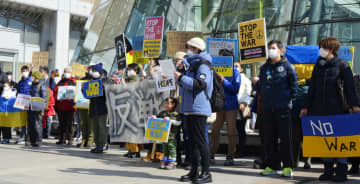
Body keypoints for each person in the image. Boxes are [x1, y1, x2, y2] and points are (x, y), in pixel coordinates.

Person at [300, 37, 360, 182]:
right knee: (324, 140)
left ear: (331, 49)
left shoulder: (342, 66)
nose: (321, 50)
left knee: (339, 140)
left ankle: (341, 170)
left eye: (323, 47)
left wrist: (355, 105)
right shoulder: (318, 66)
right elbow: (312, 89)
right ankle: (327, 170)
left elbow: (350, 88)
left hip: (338, 110)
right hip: (320, 110)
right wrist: (305, 107)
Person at [176, 37, 213, 183]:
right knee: (191, 142)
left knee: (200, 141)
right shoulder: (191, 64)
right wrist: (181, 69)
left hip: (199, 108)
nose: (187, 50)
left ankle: (206, 173)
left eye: (190, 47)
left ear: (197, 49)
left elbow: (200, 84)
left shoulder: (203, 65)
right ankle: (194, 171)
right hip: (189, 108)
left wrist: (181, 78)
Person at [259, 40, 298, 177]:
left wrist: (287, 101)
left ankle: (288, 166)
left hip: (283, 109)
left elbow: (294, 87)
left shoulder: (288, 67)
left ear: (281, 50)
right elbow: (261, 87)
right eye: (269, 48)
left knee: (285, 139)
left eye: (273, 48)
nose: (271, 50)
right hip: (268, 109)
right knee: (269, 139)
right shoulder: (264, 68)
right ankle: (272, 165)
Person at [210, 49, 241, 166]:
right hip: (219, 105)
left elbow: (235, 90)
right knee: (214, 131)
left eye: (222, 58)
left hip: (231, 106)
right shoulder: (215, 71)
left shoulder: (235, 72)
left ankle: (230, 156)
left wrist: (224, 81)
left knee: (231, 132)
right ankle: (211, 154)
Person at [83, 63, 109, 153]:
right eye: (93, 71)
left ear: (100, 72)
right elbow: (87, 96)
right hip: (93, 108)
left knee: (102, 128)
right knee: (95, 128)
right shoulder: (91, 81)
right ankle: (97, 145)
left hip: (102, 109)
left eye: (95, 71)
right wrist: (83, 90)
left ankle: (102, 145)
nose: (94, 73)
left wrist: (103, 88)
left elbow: (108, 95)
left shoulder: (105, 81)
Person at [155, 97, 181, 170]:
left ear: (173, 104)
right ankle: (165, 161)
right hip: (164, 135)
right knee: (165, 148)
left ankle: (172, 163)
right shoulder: (163, 113)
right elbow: (158, 119)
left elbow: (179, 123)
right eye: (165, 103)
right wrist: (153, 118)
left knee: (172, 148)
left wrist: (171, 121)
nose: (166, 105)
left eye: (168, 103)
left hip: (172, 136)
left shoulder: (176, 114)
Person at [123, 63, 144, 158]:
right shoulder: (129, 79)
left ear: (136, 71)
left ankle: (134, 150)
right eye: (128, 69)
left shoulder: (137, 80)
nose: (128, 71)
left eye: (130, 69)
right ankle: (133, 150)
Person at [54, 67, 76, 145]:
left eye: (67, 72)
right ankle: (62, 139)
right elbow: (55, 92)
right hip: (61, 106)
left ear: (70, 73)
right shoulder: (60, 82)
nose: (66, 73)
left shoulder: (74, 82)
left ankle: (70, 139)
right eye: (65, 72)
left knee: (70, 124)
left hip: (70, 106)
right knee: (61, 123)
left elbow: (77, 93)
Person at [235, 63, 252, 157]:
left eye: (237, 66)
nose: (235, 68)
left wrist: (245, 103)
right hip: (231, 107)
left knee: (241, 130)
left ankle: (240, 151)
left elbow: (249, 94)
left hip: (241, 108)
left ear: (241, 69)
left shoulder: (246, 80)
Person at [27, 71, 47, 147]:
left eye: (33, 77)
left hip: (37, 109)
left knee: (37, 125)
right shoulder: (31, 85)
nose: (32, 78)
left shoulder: (41, 86)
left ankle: (38, 140)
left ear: (37, 78)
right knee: (31, 124)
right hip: (30, 108)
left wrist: (42, 109)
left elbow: (44, 99)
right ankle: (32, 140)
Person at [77, 66, 94, 148]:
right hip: (82, 103)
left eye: (92, 70)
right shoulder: (83, 79)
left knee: (90, 122)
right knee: (83, 122)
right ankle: (84, 138)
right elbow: (79, 90)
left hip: (91, 104)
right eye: (89, 69)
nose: (90, 71)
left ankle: (90, 140)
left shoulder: (95, 79)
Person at [16, 65, 32, 144]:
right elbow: (18, 92)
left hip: (29, 104)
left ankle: (28, 137)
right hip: (21, 104)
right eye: (23, 71)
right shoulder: (20, 82)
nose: (24, 72)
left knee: (29, 121)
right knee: (22, 122)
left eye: (25, 71)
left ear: (28, 72)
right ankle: (22, 137)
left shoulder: (31, 80)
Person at [0, 72, 15, 144]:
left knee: (5, 121)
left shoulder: (3, 75)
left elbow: (6, 86)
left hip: (4, 101)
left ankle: (6, 137)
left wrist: (3, 85)